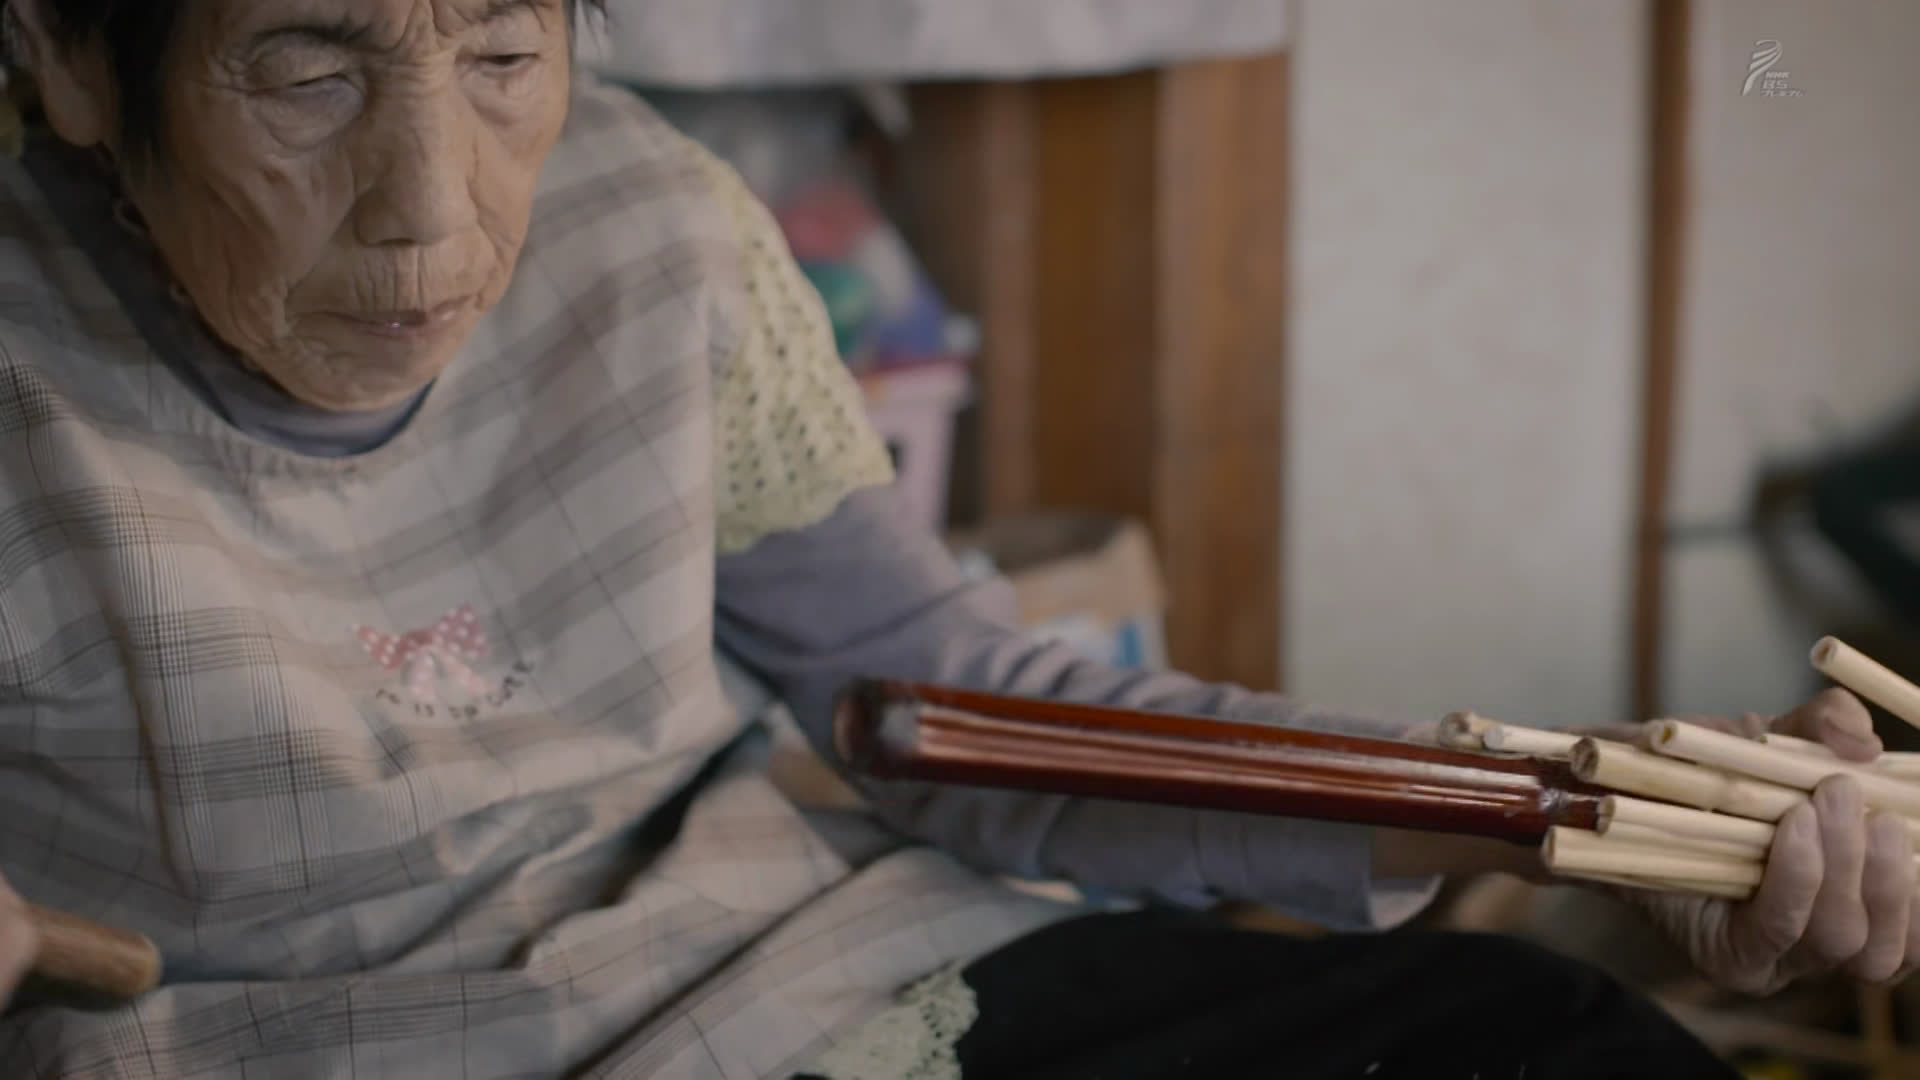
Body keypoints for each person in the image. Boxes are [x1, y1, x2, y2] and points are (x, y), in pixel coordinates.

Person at [0, 1, 1910, 1076]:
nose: (432, 209)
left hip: (802, 982)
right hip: (305, 1053)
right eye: (307, 68)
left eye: (502, 54)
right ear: (69, 56)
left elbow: (968, 709)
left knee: (1546, 1054)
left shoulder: (651, 221)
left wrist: (1566, 809)